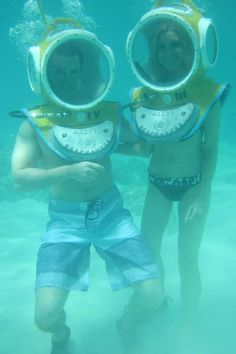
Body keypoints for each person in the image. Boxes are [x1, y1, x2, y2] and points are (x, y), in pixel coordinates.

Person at [11, 17, 163, 354]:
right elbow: (19, 179)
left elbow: (141, 148)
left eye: (74, 73)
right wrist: (66, 172)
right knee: (45, 317)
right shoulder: (34, 123)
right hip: (65, 222)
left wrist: (153, 105)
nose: (67, 82)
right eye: (59, 73)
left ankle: (127, 323)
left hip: (111, 213)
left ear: (86, 71)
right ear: (45, 74)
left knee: (153, 296)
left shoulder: (104, 113)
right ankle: (60, 334)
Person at [126, 0, 229, 332]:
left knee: (188, 259)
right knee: (150, 252)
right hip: (157, 183)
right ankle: (157, 304)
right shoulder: (145, 93)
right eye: (162, 46)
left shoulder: (207, 93)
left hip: (193, 186)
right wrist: (109, 143)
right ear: (155, 50)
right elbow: (146, 147)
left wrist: (201, 193)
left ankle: (188, 328)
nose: (169, 52)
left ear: (189, 48)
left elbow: (211, 150)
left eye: (176, 45)